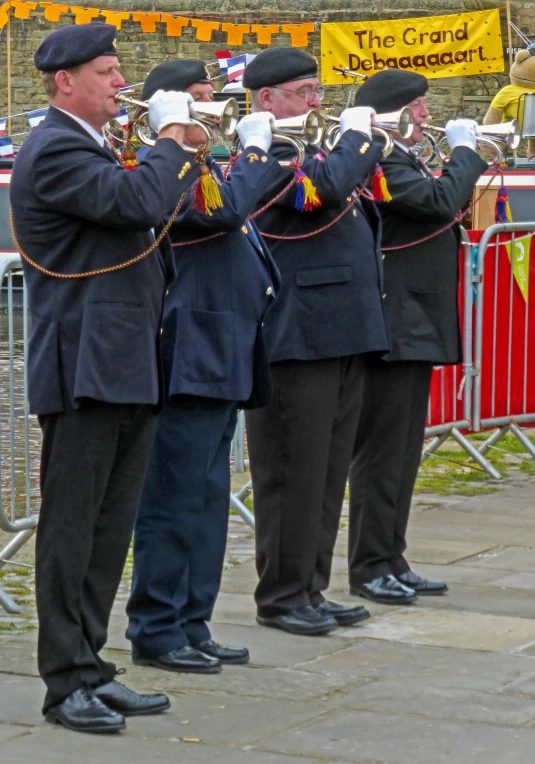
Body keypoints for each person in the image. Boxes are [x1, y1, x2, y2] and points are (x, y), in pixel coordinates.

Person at [9, 24, 200, 733]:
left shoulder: (91, 146)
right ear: (66, 82)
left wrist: (166, 155)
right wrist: (169, 141)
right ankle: (64, 684)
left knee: (108, 529)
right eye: (108, 72)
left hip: (124, 359)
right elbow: (135, 206)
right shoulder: (54, 147)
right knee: (71, 530)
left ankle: (91, 664)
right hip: (85, 362)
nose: (122, 84)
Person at [125, 60, 282, 673]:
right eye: (197, 100)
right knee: (173, 498)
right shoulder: (155, 166)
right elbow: (219, 214)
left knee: (209, 496)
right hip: (188, 349)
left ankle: (194, 620)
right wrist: (257, 153)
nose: (212, 110)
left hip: (224, 347)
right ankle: (156, 627)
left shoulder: (203, 165)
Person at [242, 48, 390, 636]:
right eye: (303, 91)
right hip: (298, 332)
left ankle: (311, 586)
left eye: (316, 90)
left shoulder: (314, 149)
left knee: (328, 473)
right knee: (291, 473)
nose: (315, 101)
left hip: (342, 328)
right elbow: (325, 192)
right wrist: (358, 141)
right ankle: (281, 594)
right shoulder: (267, 153)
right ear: (266, 100)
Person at [348, 70, 488, 604]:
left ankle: (390, 556)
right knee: (383, 453)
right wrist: (465, 154)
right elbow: (438, 202)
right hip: (394, 321)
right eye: (419, 106)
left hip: (413, 318)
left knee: (404, 452)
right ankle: (369, 565)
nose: (427, 116)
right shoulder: (382, 159)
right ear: (395, 111)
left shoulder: (400, 158)